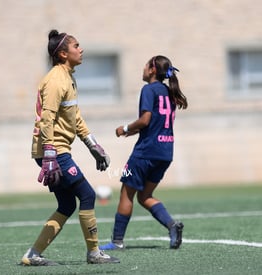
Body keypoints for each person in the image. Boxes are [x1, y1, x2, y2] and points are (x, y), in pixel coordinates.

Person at [20, 29, 120, 266]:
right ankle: (94, 253)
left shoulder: (68, 77)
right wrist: (50, 154)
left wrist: (92, 144)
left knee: (67, 205)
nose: (81, 49)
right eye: (76, 46)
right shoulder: (56, 80)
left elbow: (74, 118)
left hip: (54, 150)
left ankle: (32, 256)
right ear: (63, 54)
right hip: (53, 151)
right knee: (87, 195)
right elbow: (47, 119)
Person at [99, 55, 188, 251]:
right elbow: (154, 123)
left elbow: (146, 119)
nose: (143, 68)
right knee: (145, 195)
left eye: (145, 65)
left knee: (126, 195)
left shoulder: (148, 89)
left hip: (145, 152)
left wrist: (124, 127)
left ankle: (117, 242)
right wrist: (132, 131)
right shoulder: (168, 91)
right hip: (165, 152)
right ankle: (172, 225)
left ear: (152, 70)